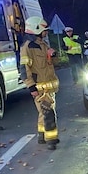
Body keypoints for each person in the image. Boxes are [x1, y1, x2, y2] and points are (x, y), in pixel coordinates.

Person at [21, 16, 60, 150]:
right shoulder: (27, 47)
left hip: (48, 88)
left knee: (44, 113)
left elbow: (51, 65)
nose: (46, 32)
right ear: (36, 29)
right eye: (44, 30)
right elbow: (24, 70)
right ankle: (51, 140)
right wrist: (31, 87)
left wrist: (53, 55)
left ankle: (42, 135)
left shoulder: (43, 45)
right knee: (48, 113)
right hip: (39, 88)